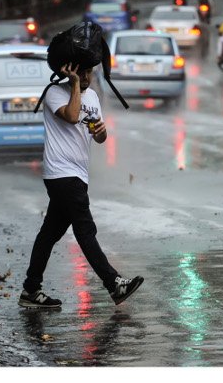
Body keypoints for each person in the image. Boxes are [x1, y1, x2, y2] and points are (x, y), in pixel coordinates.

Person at [19, 62, 144, 309]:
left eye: (88, 72)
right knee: (85, 230)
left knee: (49, 234)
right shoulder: (55, 93)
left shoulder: (93, 96)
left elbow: (98, 136)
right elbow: (72, 115)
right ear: (71, 72)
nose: (86, 77)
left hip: (78, 174)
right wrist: (74, 84)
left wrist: (101, 131)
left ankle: (31, 290)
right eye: (81, 72)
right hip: (61, 174)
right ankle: (114, 283)